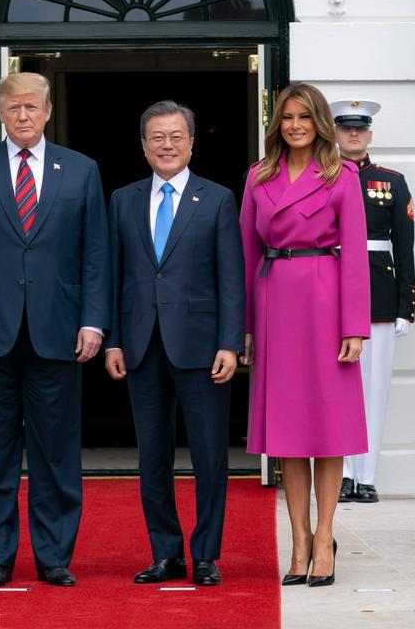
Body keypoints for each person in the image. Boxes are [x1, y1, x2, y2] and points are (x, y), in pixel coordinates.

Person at [0, 72, 109, 588]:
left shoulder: (81, 170)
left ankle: (54, 556)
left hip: (59, 329)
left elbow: (96, 253)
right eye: (14, 108)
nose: (24, 116)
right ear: (1, 113)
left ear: (48, 111)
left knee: (56, 449)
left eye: (33, 107)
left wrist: (94, 321)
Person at [104, 101, 244, 586]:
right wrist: (112, 341)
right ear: (143, 146)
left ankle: (205, 554)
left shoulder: (219, 198)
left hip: (203, 346)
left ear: (191, 142)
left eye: (176, 136)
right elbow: (113, 276)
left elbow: (232, 277)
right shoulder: (123, 199)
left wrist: (231, 341)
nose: (167, 145)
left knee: (209, 454)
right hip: (141, 346)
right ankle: (166, 552)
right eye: (157, 137)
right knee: (152, 457)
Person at [240, 83, 370, 588]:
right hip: (275, 304)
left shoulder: (342, 175)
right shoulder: (258, 176)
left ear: (319, 122)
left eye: (304, 117)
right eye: (287, 117)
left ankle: (324, 538)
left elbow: (356, 256)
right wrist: (246, 327)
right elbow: (248, 256)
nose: (295, 125)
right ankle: (297, 539)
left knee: (328, 427)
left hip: (325, 301)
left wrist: (355, 327)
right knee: (289, 435)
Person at [331, 100, 415, 505]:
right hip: (332, 293)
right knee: (340, 388)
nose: (353, 135)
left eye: (359, 129)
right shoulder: (322, 177)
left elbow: (405, 246)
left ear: (369, 134)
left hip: (379, 295)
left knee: (374, 389)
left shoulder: (391, 182)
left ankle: (367, 474)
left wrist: (405, 306)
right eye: (346, 128)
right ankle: (342, 473)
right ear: (335, 133)